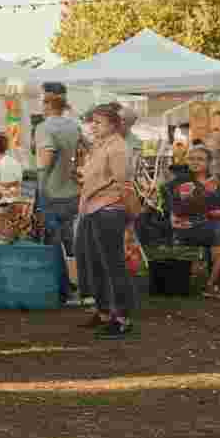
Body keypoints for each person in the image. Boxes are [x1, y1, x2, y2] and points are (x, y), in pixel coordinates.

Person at [77, 104, 136, 340]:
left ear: (114, 125)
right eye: (92, 121)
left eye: (98, 122)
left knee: (113, 265)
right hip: (93, 208)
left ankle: (121, 318)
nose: (93, 126)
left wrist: (132, 216)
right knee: (95, 264)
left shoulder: (118, 148)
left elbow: (124, 184)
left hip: (109, 209)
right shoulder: (99, 146)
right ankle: (103, 312)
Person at [163, 145, 220, 300]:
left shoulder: (213, 180)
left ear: (208, 163)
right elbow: (181, 209)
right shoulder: (181, 181)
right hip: (187, 227)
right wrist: (204, 191)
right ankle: (212, 284)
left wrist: (211, 192)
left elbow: (219, 205)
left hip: (207, 224)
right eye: (191, 159)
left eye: (200, 159)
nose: (195, 162)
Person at [35, 82, 81, 304]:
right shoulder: (74, 126)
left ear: (47, 103)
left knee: (52, 241)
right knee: (71, 241)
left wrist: (40, 177)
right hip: (72, 190)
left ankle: (63, 290)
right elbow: (85, 152)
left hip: (51, 191)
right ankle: (81, 286)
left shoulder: (44, 127)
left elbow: (46, 157)